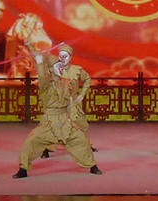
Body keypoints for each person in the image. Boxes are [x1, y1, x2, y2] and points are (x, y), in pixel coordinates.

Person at [12, 44, 102, 178]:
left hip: (64, 119)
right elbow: (42, 75)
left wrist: (78, 100)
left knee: (80, 140)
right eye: (57, 65)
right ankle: (23, 169)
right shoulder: (46, 85)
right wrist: (38, 59)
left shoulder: (66, 82)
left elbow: (75, 91)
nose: (60, 67)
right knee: (31, 141)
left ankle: (92, 166)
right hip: (49, 121)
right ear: (50, 70)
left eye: (61, 65)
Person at [57, 44, 97, 152]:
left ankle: (86, 145)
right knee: (54, 126)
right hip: (59, 103)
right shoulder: (55, 70)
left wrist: (82, 94)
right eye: (61, 56)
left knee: (83, 124)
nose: (63, 58)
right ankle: (46, 149)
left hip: (72, 102)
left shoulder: (77, 70)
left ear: (70, 57)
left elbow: (87, 80)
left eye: (65, 56)